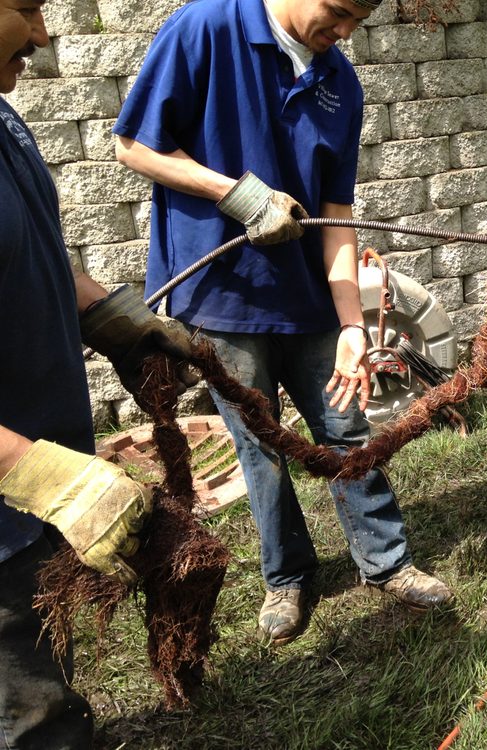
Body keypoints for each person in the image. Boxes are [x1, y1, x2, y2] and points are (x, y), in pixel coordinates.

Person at [113, 0, 453, 647]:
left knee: (346, 430)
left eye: (360, 18)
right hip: (224, 301)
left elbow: (337, 216)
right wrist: (239, 196)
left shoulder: (338, 83)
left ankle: (386, 563)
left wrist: (353, 324)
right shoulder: (206, 28)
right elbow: (134, 145)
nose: (345, 31)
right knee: (259, 444)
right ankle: (288, 576)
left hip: (310, 301)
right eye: (339, 11)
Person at [0, 1, 195, 745]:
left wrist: (111, 315)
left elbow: (29, 253)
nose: (44, 35)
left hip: (29, 510)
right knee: (32, 720)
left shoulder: (2, 116)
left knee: (46, 683)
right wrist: (46, 477)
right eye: (22, 7)